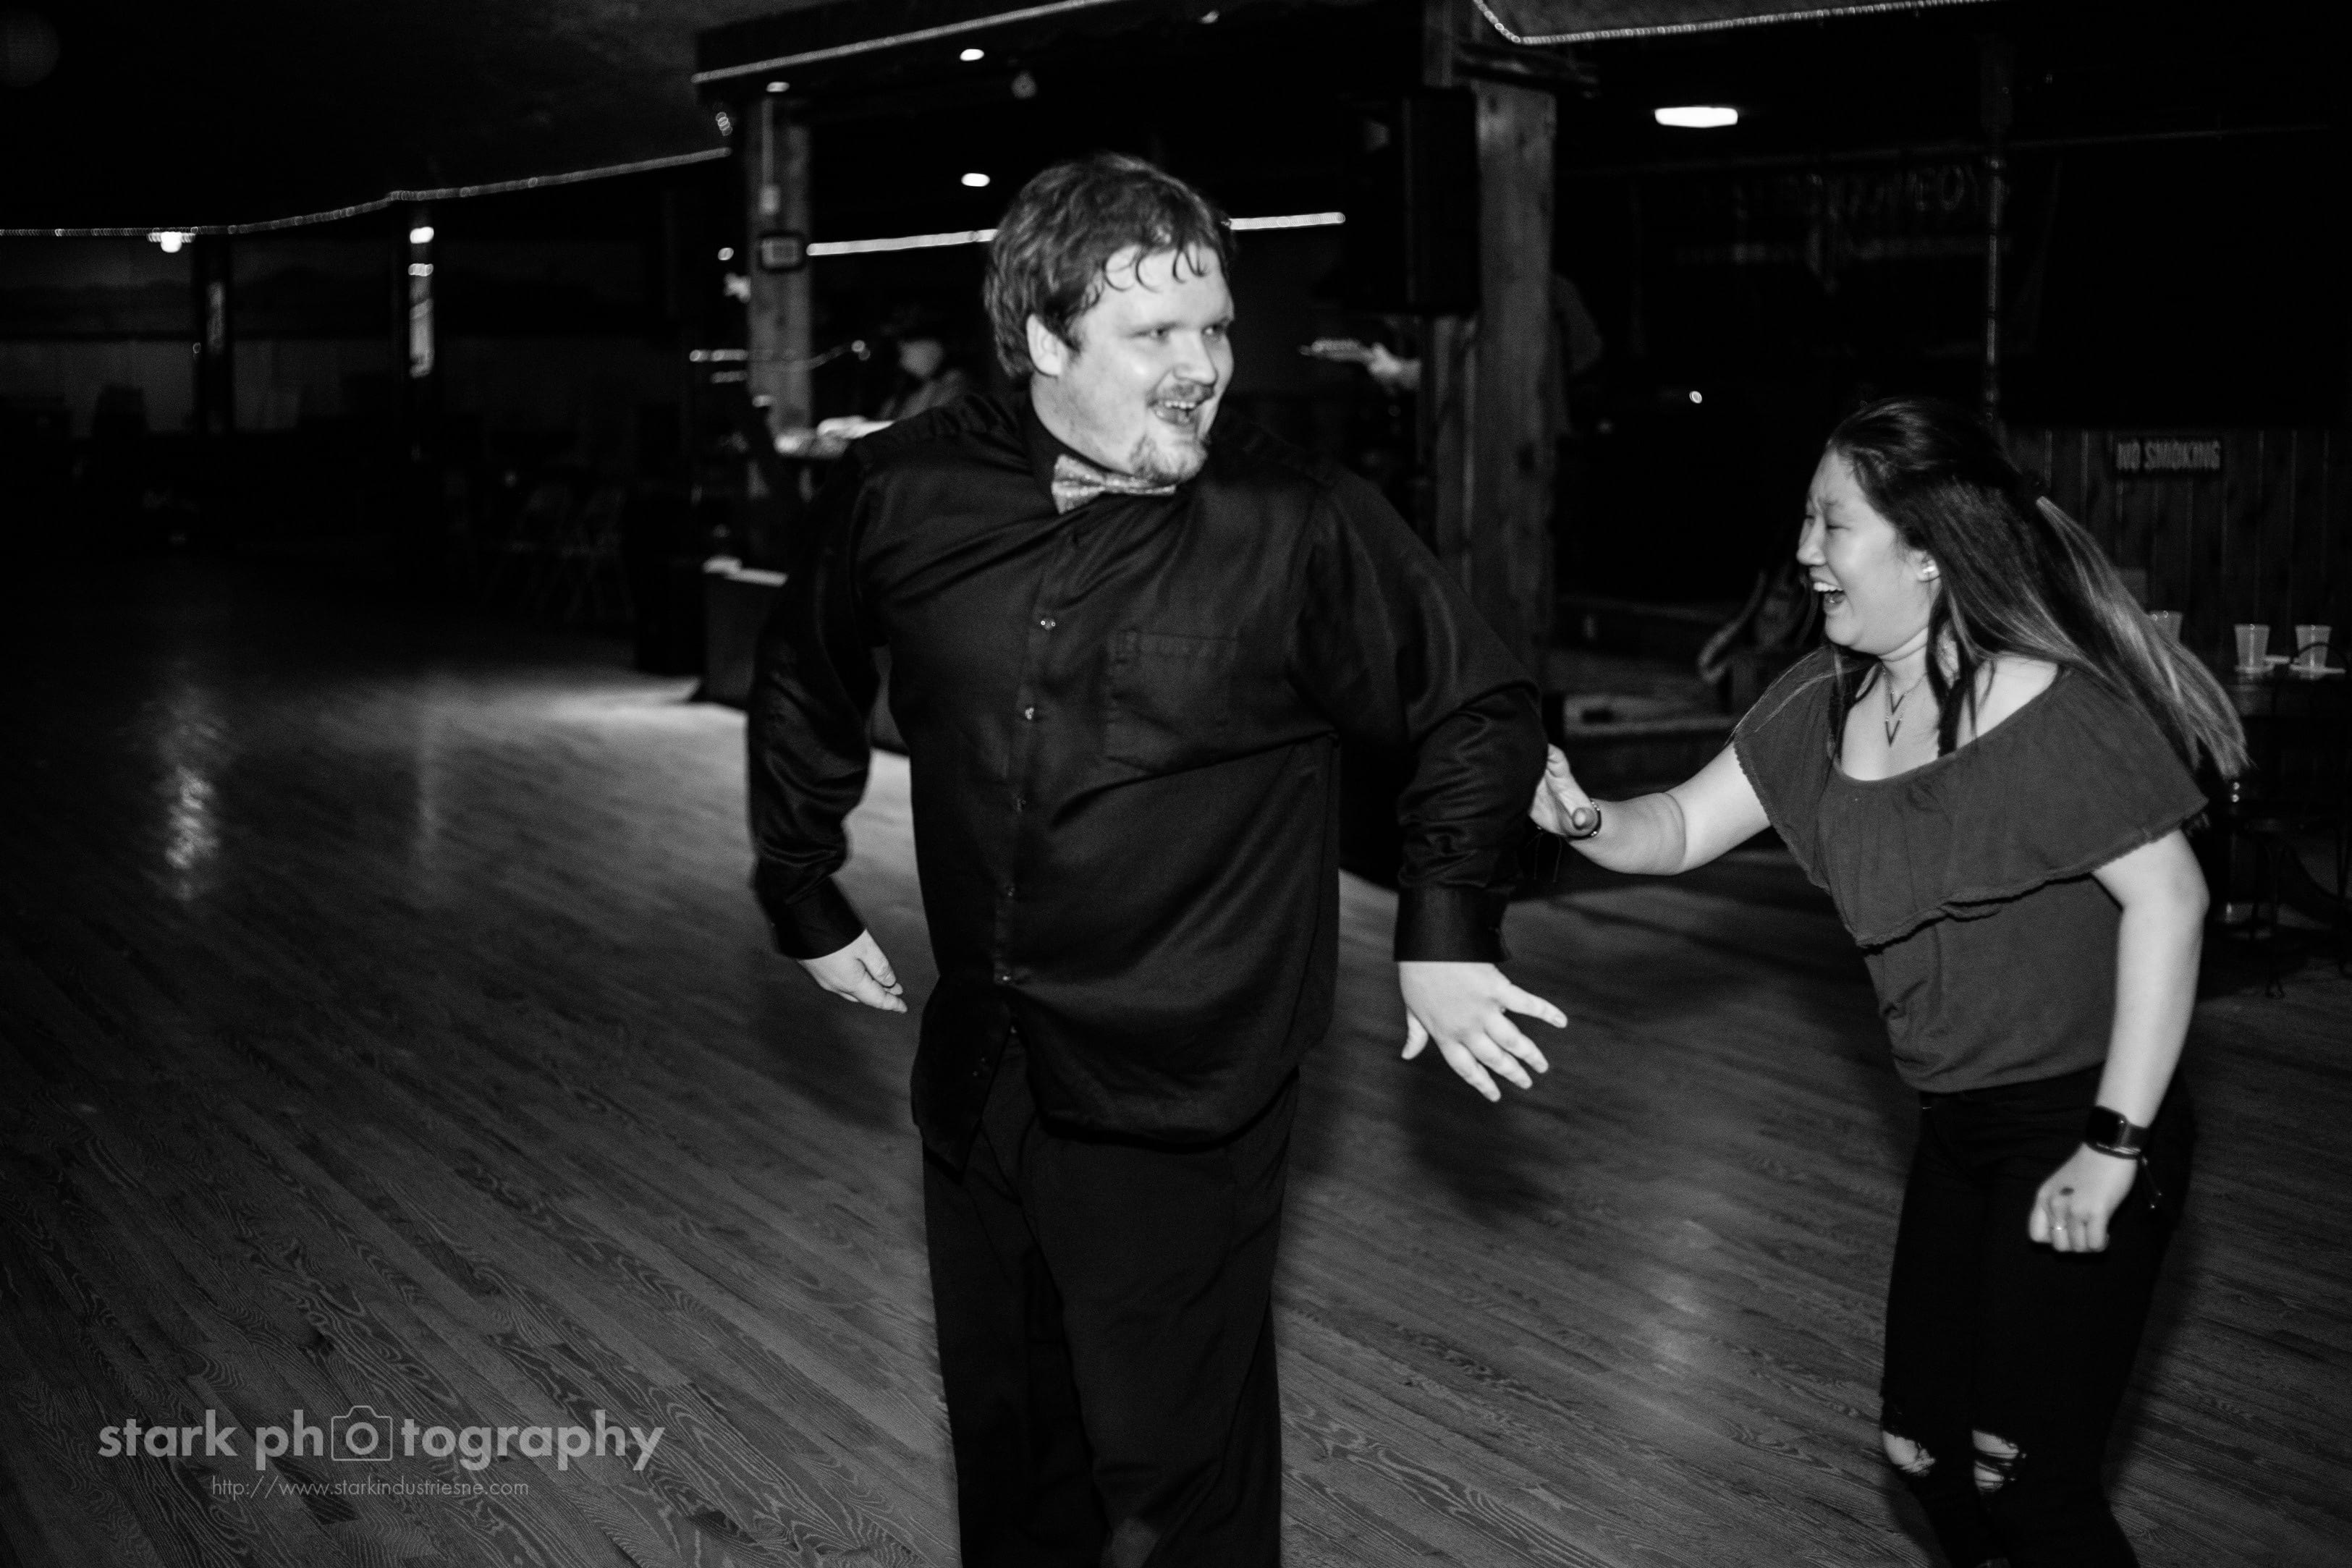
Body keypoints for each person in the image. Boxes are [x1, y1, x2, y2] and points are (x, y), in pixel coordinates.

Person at [748, 152, 1563, 1567]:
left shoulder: (1294, 520)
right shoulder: (905, 491)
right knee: (1013, 1441)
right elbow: (802, 669)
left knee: (1178, 1475)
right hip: (985, 1063)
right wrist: (801, 883)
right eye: (1155, 334)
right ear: (1044, 340)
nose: (1202, 369)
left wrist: (1441, 932)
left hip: (1184, 1077)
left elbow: (1476, 708)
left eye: (1217, 328)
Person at [1531, 396, 2243, 1568]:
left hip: (2085, 1120)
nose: (1803, 552)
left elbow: (2170, 901)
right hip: (1959, 1128)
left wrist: (2112, 1147)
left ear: (1926, 553)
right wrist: (1582, 817)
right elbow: (1677, 827)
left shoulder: (2045, 710)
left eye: (1831, 524)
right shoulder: (1825, 703)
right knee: (1922, 1454)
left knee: (2026, 1478)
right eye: (1804, 521)